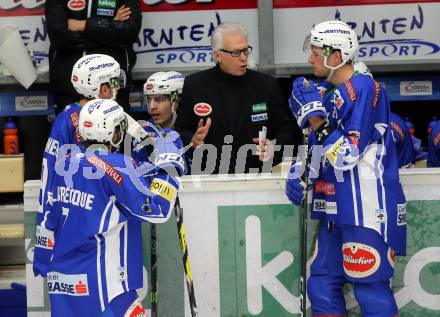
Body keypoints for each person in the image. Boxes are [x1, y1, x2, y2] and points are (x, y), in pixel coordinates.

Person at [286, 20, 406, 317]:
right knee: (322, 284)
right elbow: (321, 145)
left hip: (366, 207)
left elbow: (347, 154)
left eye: (315, 52)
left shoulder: (365, 88)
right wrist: (304, 170)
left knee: (370, 286)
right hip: (334, 206)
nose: (309, 58)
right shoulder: (328, 93)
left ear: (336, 55)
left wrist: (315, 120)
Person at [44, 98, 184, 317]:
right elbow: (156, 208)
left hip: (63, 283)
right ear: (112, 133)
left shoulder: (65, 162)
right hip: (105, 287)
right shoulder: (118, 165)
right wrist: (170, 169)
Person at [34, 54, 124, 278]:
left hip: (97, 221)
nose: (119, 88)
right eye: (115, 82)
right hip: (84, 225)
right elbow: (51, 180)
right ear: (103, 88)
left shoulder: (101, 115)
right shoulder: (70, 121)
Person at [174, 22, 297, 174]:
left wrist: (274, 148)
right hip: (208, 182)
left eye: (246, 51)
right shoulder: (195, 85)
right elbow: (180, 130)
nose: (243, 58)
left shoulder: (267, 85)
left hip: (257, 180)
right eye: (236, 53)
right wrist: (192, 140)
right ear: (217, 55)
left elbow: (287, 130)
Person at [44, 0, 141, 113]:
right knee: (69, 129)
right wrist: (109, 28)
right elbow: (59, 37)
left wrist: (84, 25)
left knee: (115, 128)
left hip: (113, 86)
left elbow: (129, 31)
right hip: (68, 87)